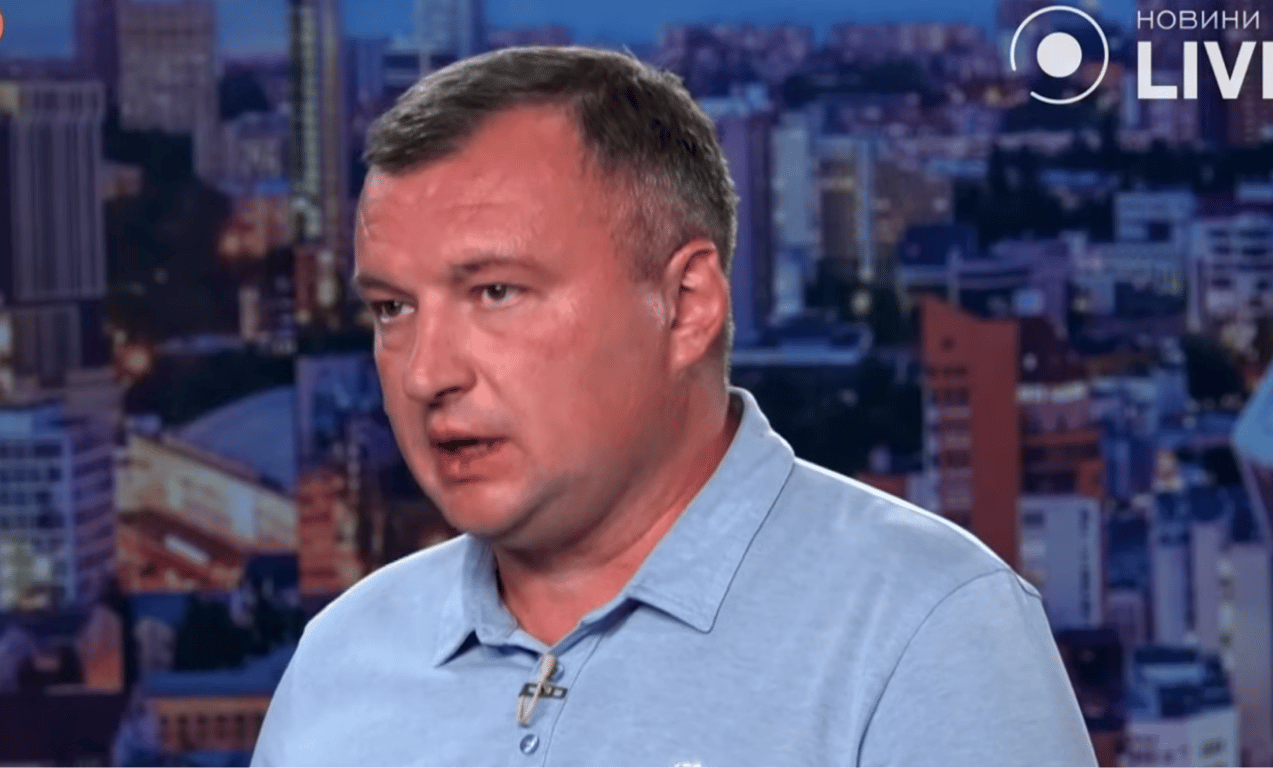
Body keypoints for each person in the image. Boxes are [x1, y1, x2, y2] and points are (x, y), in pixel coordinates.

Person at [251, 46, 1097, 768]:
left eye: (497, 292)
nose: (425, 372)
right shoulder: (340, 660)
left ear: (687, 306)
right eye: (393, 308)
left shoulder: (927, 632)